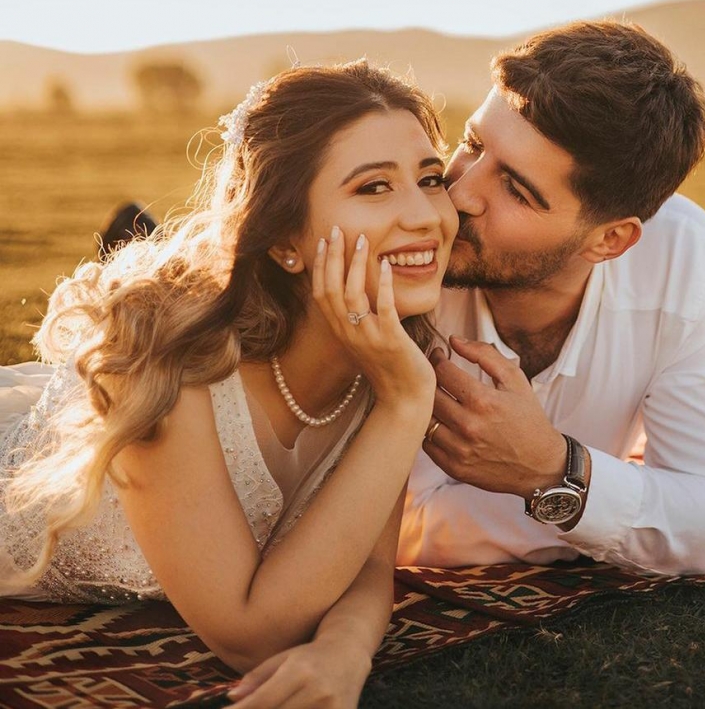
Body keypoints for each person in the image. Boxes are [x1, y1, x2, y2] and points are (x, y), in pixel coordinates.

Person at [0, 60, 458, 707]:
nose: (424, 216)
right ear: (285, 241)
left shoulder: (381, 355)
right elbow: (251, 635)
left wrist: (343, 650)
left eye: (430, 178)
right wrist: (409, 402)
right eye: (374, 188)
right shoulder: (172, 370)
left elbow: (369, 565)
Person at [397, 20, 705, 573]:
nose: (460, 193)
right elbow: (402, 527)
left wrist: (548, 469)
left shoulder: (682, 260)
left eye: (516, 189)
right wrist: (620, 508)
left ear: (610, 240)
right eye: (473, 145)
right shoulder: (404, 251)